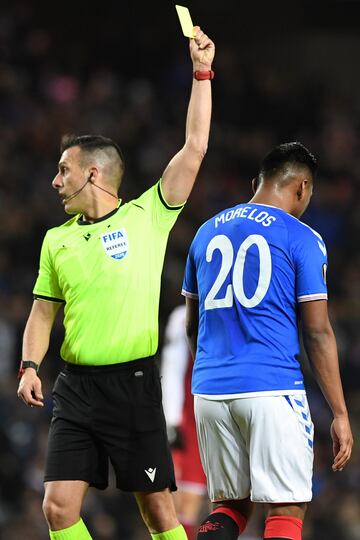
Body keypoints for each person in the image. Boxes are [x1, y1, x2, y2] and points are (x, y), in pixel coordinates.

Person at [16, 25, 215, 540]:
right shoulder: (55, 241)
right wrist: (31, 364)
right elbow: (42, 312)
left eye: (65, 170)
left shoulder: (148, 216)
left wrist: (202, 73)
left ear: (95, 174)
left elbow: (194, 147)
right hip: (75, 387)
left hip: (134, 385)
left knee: (159, 516)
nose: (56, 181)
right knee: (58, 509)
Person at [181, 142, 353, 540]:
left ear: (255, 182)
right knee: (286, 506)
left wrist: (214, 371)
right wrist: (340, 412)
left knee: (228, 506)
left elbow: (193, 324)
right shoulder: (302, 237)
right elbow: (316, 330)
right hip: (271, 387)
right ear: (302, 187)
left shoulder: (205, 232)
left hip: (209, 389)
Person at [161, 304, 208, 539]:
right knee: (175, 504)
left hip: (209, 420)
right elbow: (171, 366)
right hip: (184, 422)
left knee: (192, 505)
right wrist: (171, 419)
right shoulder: (183, 315)